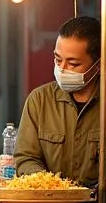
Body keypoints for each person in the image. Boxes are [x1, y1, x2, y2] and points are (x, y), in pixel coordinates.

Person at [15, 16, 100, 186]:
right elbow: (25, 158)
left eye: (73, 64)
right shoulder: (39, 100)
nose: (62, 69)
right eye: (58, 59)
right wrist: (51, 185)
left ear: (98, 65)